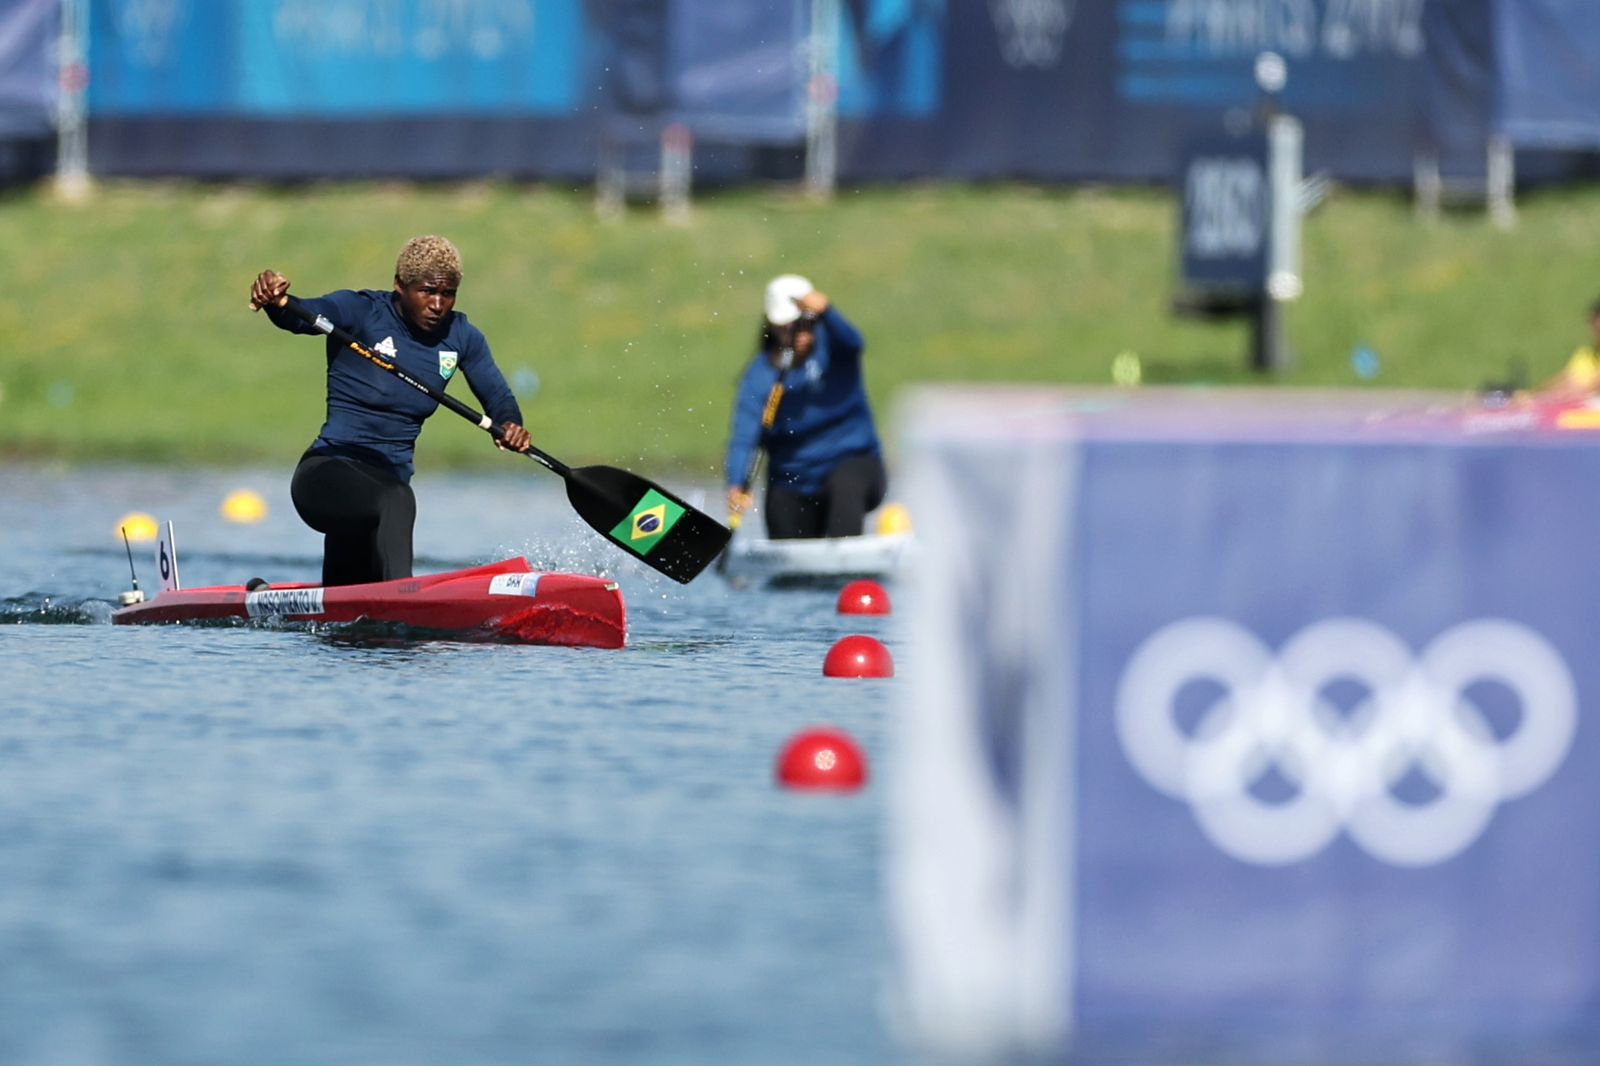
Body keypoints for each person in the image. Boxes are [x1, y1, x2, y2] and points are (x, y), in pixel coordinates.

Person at [248, 235, 531, 587]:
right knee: (397, 498)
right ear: (400, 285)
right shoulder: (361, 311)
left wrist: (511, 425)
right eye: (427, 291)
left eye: (448, 294)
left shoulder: (462, 336)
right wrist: (277, 302)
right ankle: (407, 601)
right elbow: (302, 316)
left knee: (352, 614)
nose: (438, 305)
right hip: (325, 476)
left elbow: (498, 396)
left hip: (377, 503)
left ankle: (295, 603)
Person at [724, 274, 886, 539]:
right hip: (792, 478)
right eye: (787, 327)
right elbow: (744, 439)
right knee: (783, 525)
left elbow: (855, 342)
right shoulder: (758, 377)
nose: (797, 335)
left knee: (846, 486)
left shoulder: (837, 353)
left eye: (804, 326)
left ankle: (845, 565)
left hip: (852, 465)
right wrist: (736, 484)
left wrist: (828, 311)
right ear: (772, 326)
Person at [1537, 296, 1600, 403]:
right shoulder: (1586, 354)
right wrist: (1536, 395)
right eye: (1595, 327)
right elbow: (1567, 378)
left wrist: (1560, 395)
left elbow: (1591, 386)